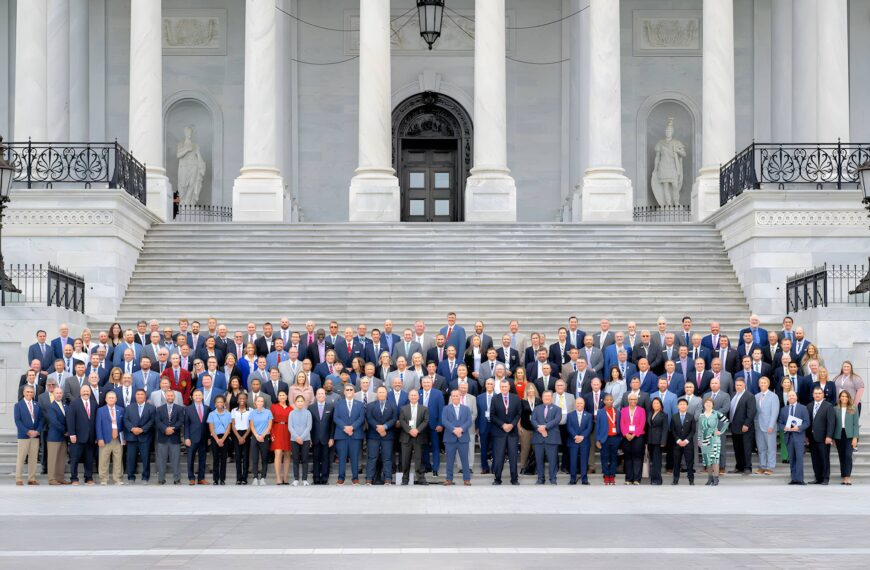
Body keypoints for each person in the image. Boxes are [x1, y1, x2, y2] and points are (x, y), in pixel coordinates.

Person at [490, 379, 522, 485]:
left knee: (513, 456)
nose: (504, 388)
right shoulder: (495, 399)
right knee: (499, 457)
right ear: (500, 387)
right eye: (502, 387)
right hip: (499, 432)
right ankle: (497, 479)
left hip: (512, 432)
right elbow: (492, 415)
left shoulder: (516, 398)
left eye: (506, 386)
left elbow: (518, 413)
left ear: (509, 387)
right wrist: (503, 425)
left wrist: (512, 425)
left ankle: (514, 479)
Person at [365, 385, 397, 485]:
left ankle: (387, 479)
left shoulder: (392, 405)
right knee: (372, 457)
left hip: (387, 435)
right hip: (373, 435)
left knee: (387, 458)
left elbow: (394, 418)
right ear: (377, 394)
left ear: (386, 394)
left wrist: (385, 427)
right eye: (379, 392)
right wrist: (379, 428)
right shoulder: (370, 405)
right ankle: (369, 479)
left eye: (383, 392)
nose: (381, 394)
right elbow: (369, 418)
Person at [333, 384, 364, 485]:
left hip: (355, 434)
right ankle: (341, 478)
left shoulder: (360, 404)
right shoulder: (338, 403)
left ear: (354, 392)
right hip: (342, 434)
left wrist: (352, 427)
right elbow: (336, 418)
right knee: (342, 457)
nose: (349, 391)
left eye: (351, 389)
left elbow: (361, 418)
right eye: (347, 389)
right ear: (344, 392)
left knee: (355, 457)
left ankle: (355, 478)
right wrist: (345, 428)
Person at [67, 384, 97, 485]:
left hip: (91, 437)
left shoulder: (94, 404)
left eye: (87, 391)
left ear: (90, 392)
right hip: (77, 437)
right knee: (74, 459)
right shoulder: (74, 403)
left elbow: (95, 421)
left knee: (89, 459)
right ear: (80, 392)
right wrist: (72, 434)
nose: (85, 393)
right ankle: (74, 478)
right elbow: (70, 420)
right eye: (84, 391)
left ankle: (88, 477)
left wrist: (96, 436)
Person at [123, 389, 155, 484]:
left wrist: (142, 429)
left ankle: (145, 477)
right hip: (132, 437)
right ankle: (131, 477)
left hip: (145, 437)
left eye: (142, 394)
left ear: (145, 396)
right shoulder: (129, 407)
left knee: (145, 458)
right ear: (135, 396)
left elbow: (152, 421)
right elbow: (125, 420)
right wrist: (132, 429)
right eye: (138, 394)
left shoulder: (151, 408)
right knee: (131, 458)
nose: (140, 396)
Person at [531, 390, 562, 485]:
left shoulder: (557, 409)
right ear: (542, 397)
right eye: (545, 396)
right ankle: (540, 479)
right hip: (538, 438)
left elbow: (557, 420)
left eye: (549, 396)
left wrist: (545, 427)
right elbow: (533, 420)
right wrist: (539, 428)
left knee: (553, 460)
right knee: (539, 459)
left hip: (552, 438)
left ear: (552, 398)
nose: (547, 398)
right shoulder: (536, 408)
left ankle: (553, 479)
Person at [779, 391, 810, 484]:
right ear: (787, 398)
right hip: (788, 437)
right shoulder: (784, 409)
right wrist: (783, 427)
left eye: (793, 395)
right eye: (789, 396)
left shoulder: (803, 408)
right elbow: (780, 423)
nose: (791, 397)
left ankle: (800, 479)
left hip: (799, 437)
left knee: (799, 458)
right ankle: (793, 478)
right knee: (791, 459)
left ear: (796, 397)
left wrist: (799, 428)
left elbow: (807, 422)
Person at [442, 389, 472, 485]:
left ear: (460, 396)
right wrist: (454, 429)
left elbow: (469, 421)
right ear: (451, 397)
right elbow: (444, 421)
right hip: (450, 438)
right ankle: (449, 479)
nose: (455, 397)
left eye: (457, 395)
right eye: (453, 396)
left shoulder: (466, 409)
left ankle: (466, 479)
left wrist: (461, 429)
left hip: (463, 438)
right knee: (449, 460)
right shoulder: (446, 408)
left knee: (465, 460)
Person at [399, 389, 430, 485]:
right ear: (408, 397)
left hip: (419, 437)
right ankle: (405, 479)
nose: (413, 397)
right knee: (405, 459)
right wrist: (410, 430)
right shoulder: (403, 408)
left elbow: (426, 421)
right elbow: (402, 421)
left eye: (415, 395)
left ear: (418, 397)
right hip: (406, 437)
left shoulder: (424, 408)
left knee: (419, 459)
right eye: (411, 395)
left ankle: (421, 478)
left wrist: (417, 430)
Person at [14, 385, 43, 486]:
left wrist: (37, 431)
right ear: (23, 393)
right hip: (24, 436)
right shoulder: (18, 405)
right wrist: (27, 431)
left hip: (35, 436)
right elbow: (17, 421)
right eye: (27, 392)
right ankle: (18, 478)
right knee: (21, 457)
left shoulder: (37, 404)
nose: (29, 394)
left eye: (31, 392)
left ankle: (32, 478)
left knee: (33, 458)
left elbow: (41, 420)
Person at [95, 390, 125, 486]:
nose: (111, 399)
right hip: (105, 438)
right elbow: (98, 425)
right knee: (103, 459)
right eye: (109, 398)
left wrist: (123, 438)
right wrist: (99, 438)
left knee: (118, 459)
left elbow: (123, 425)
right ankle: (103, 479)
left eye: (113, 398)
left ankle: (117, 479)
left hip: (118, 439)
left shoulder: (121, 409)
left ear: (116, 399)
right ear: (106, 399)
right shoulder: (101, 410)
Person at [807, 386, 836, 485]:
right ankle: (818, 478)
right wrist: (806, 436)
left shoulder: (828, 406)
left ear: (823, 395)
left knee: (824, 458)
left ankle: (825, 478)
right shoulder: (809, 406)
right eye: (815, 393)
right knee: (815, 459)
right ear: (813, 395)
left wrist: (829, 436)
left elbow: (831, 423)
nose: (817, 395)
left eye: (819, 393)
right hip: (812, 438)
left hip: (824, 438)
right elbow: (808, 422)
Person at [154, 389, 184, 485]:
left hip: (175, 438)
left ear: (174, 397)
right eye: (168, 396)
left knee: (176, 460)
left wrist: (172, 429)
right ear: (165, 397)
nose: (170, 397)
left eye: (172, 396)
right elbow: (157, 421)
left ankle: (177, 479)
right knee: (161, 460)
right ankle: (161, 479)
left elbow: (181, 421)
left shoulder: (179, 408)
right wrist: (165, 429)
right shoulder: (159, 408)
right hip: (162, 438)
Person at [698, 397, 729, 485]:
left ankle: (716, 478)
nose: (708, 404)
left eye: (710, 403)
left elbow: (726, 421)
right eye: (706, 403)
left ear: (713, 405)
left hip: (714, 439)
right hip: (704, 439)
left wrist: (721, 431)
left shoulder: (716, 413)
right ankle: (709, 478)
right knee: (707, 460)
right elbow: (700, 429)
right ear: (704, 405)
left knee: (714, 459)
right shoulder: (701, 415)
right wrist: (699, 439)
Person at [729, 378, 757, 475]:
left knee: (746, 448)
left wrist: (746, 424)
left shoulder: (749, 396)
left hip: (745, 427)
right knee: (737, 448)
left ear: (744, 385)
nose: (738, 387)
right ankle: (739, 467)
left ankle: (747, 467)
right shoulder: (733, 395)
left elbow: (752, 412)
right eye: (737, 385)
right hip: (734, 426)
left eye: (740, 385)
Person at [419, 376, 444, 477]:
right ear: (422, 384)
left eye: (428, 383)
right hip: (421, 426)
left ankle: (435, 468)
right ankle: (427, 466)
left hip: (434, 425)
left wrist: (440, 424)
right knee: (423, 447)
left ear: (432, 383)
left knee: (435, 447)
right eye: (424, 383)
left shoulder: (438, 393)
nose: (426, 384)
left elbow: (442, 410)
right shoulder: (418, 393)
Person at [184, 389, 210, 485]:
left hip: (203, 438)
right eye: (196, 395)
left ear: (202, 396)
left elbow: (208, 425)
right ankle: (191, 478)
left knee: (202, 458)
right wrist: (186, 437)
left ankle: (201, 478)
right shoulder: (188, 409)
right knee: (190, 458)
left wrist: (208, 438)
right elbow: (186, 424)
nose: (198, 397)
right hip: (191, 438)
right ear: (192, 397)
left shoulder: (207, 408)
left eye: (199, 395)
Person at [565, 396, 593, 485]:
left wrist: (581, 437)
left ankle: (584, 479)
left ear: (584, 404)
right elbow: (569, 427)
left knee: (584, 461)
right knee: (573, 460)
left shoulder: (588, 415)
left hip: (584, 441)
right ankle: (572, 479)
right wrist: (575, 436)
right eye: (577, 403)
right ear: (575, 404)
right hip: (573, 441)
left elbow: (589, 428)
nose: (579, 405)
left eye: (581, 403)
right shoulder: (570, 415)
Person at [309, 388, 334, 485]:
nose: (321, 395)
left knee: (325, 458)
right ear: (316, 395)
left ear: (325, 395)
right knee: (315, 458)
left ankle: (324, 478)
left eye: (322, 394)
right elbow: (309, 424)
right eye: (319, 394)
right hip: (314, 438)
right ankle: (316, 478)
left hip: (326, 438)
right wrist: (310, 438)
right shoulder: (311, 407)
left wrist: (331, 437)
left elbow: (332, 424)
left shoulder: (331, 407)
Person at [834, 390, 860, 485]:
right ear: (840, 398)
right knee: (841, 456)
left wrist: (855, 437)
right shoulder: (835, 409)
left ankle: (847, 477)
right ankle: (843, 475)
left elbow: (856, 425)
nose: (844, 398)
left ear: (848, 398)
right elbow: (834, 424)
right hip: (838, 435)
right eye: (842, 396)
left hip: (849, 435)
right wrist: (832, 437)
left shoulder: (854, 409)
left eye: (846, 396)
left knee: (848, 455)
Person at [620, 393, 646, 485]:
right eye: (631, 399)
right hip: (626, 436)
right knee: (627, 458)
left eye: (634, 399)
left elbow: (642, 424)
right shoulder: (623, 410)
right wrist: (626, 434)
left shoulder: (642, 410)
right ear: (628, 400)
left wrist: (634, 434)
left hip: (638, 436)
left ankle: (636, 479)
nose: (633, 401)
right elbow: (621, 423)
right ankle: (628, 479)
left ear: (637, 400)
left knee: (637, 457)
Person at [595, 394, 621, 485]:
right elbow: (597, 426)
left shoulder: (617, 412)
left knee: (614, 457)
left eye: (611, 400)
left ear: (613, 401)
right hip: (604, 439)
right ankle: (606, 476)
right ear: (604, 401)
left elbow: (619, 425)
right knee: (604, 458)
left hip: (615, 438)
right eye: (607, 400)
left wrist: (620, 438)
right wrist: (597, 440)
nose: (609, 401)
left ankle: (612, 476)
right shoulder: (600, 412)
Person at [45, 386, 69, 485]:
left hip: (63, 437)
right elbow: (54, 422)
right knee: (52, 459)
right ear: (53, 395)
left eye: (60, 393)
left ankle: (60, 478)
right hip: (54, 437)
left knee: (61, 458)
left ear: (62, 394)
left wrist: (68, 431)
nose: (59, 394)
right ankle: (51, 479)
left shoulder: (65, 406)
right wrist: (65, 431)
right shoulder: (51, 407)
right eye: (57, 393)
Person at [670, 397, 696, 485]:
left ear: (687, 406)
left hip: (688, 444)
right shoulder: (674, 417)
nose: (682, 406)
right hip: (677, 444)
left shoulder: (691, 416)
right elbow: (672, 430)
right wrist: (678, 440)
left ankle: (691, 480)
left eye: (684, 404)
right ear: (678, 406)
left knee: (689, 463)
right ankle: (675, 480)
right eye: (681, 404)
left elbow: (693, 431)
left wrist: (686, 441)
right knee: (676, 463)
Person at [248, 395, 273, 485]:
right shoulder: (252, 413)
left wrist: (262, 435)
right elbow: (252, 426)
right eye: (258, 401)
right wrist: (257, 436)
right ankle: (255, 477)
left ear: (263, 403)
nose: (260, 403)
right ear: (255, 402)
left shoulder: (268, 412)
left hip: (265, 437)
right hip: (255, 437)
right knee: (255, 458)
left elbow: (269, 426)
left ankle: (263, 478)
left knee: (264, 458)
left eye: (261, 401)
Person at [207, 395, 232, 485]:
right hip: (215, 437)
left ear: (224, 403)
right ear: (215, 404)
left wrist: (222, 440)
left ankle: (222, 479)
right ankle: (215, 479)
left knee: (223, 459)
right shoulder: (212, 414)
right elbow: (211, 429)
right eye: (218, 402)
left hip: (224, 437)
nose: (220, 403)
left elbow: (228, 429)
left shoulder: (228, 414)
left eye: (221, 402)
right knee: (216, 459)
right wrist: (218, 440)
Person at [269, 390, 292, 485]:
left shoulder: (291, 408)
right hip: (277, 430)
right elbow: (270, 421)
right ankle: (278, 478)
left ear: (286, 396)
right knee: (278, 453)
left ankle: (285, 477)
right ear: (278, 397)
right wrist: (272, 434)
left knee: (287, 454)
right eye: (280, 395)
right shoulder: (273, 407)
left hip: (288, 431)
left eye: (283, 395)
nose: (282, 396)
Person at [289, 394, 313, 486]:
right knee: (295, 459)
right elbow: (290, 427)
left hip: (305, 439)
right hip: (294, 440)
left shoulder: (308, 413)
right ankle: (296, 479)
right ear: (295, 402)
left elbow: (309, 427)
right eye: (298, 401)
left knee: (305, 459)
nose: (299, 403)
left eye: (301, 401)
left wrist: (301, 437)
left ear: (304, 402)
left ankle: (304, 479)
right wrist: (297, 437)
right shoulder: (291, 413)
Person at [646, 397, 668, 485]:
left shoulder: (664, 415)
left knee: (657, 461)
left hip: (658, 441)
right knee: (652, 460)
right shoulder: (649, 413)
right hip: (650, 440)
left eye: (657, 403)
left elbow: (665, 429)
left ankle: (657, 480)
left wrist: (663, 441)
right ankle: (653, 479)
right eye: (654, 403)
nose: (655, 405)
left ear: (661, 405)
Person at [476, 378, 496, 474]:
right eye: (487, 384)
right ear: (485, 385)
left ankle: (494, 467)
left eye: (491, 384)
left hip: (495, 426)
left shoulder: (498, 397)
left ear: (494, 385)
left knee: (495, 448)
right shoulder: (479, 397)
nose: (489, 385)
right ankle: (484, 467)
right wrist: (477, 427)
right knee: (483, 448)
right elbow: (478, 413)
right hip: (483, 425)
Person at [230, 393, 252, 484]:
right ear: (237, 400)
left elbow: (251, 425)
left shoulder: (251, 410)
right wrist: (239, 437)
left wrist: (244, 436)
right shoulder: (233, 410)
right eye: (240, 398)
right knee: (238, 457)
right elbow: (233, 425)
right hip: (237, 434)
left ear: (246, 400)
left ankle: (244, 478)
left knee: (246, 456)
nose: (242, 400)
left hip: (247, 433)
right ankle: (238, 478)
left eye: (244, 398)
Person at [519, 383, 540, 472]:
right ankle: (523, 467)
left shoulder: (539, 401)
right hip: (525, 429)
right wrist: (519, 427)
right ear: (526, 391)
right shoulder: (522, 401)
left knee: (536, 449)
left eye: (532, 389)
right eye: (529, 389)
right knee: (525, 449)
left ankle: (536, 467)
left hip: (536, 429)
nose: (531, 390)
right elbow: (519, 415)